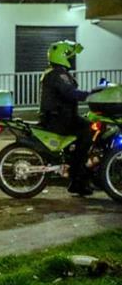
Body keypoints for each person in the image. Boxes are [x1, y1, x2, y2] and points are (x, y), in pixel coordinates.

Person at [39, 40, 94, 196]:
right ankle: (77, 177)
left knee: (82, 127)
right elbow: (69, 93)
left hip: (59, 117)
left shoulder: (55, 72)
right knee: (86, 130)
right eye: (68, 56)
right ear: (61, 56)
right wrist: (89, 94)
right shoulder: (58, 74)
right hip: (59, 119)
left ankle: (77, 173)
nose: (71, 59)